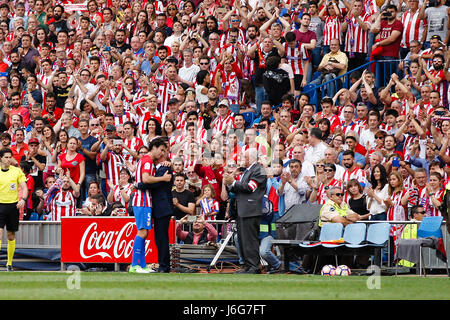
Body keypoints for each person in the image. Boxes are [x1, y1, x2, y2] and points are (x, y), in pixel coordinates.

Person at [129, 137, 172, 274]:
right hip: (142, 200)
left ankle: (141, 265)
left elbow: (143, 180)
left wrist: (137, 184)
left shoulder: (145, 161)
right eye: (161, 150)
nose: (162, 154)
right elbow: (146, 179)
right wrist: (163, 178)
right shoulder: (148, 161)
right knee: (142, 232)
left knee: (146, 233)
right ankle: (136, 265)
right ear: (154, 147)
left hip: (147, 201)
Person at [223, 148, 267, 274]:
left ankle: (254, 266)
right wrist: (230, 182)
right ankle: (248, 265)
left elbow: (250, 188)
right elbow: (239, 189)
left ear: (250, 158)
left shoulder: (258, 170)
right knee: (243, 239)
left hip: (250, 210)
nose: (242, 159)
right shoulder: (248, 171)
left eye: (244, 157)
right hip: (243, 210)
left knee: (249, 240)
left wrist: (234, 182)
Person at [0, 148, 28, 271]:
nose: (8, 159)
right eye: (6, 157)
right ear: (1, 158)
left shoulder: (16, 171)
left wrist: (23, 199)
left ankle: (9, 263)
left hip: (13, 206)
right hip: (0, 205)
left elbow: (24, 187)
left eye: (10, 157)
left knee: (11, 235)